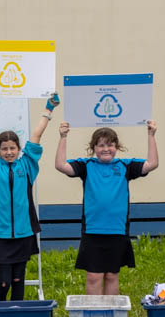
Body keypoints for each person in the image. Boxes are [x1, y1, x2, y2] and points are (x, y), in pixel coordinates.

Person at [0, 87, 58, 301]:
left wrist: (49, 109)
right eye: (4, 148)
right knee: (4, 281)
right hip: (1, 234)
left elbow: (37, 134)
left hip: (24, 233)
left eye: (13, 148)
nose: (9, 152)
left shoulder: (27, 164)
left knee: (18, 281)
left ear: (19, 149)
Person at [55, 121, 159, 295]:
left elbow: (152, 163)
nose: (106, 149)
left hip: (117, 231)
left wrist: (151, 135)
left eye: (110, 144)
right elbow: (61, 165)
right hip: (93, 231)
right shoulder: (86, 165)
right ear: (93, 147)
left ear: (116, 146)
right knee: (94, 276)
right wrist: (63, 137)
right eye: (101, 145)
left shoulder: (125, 166)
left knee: (112, 275)